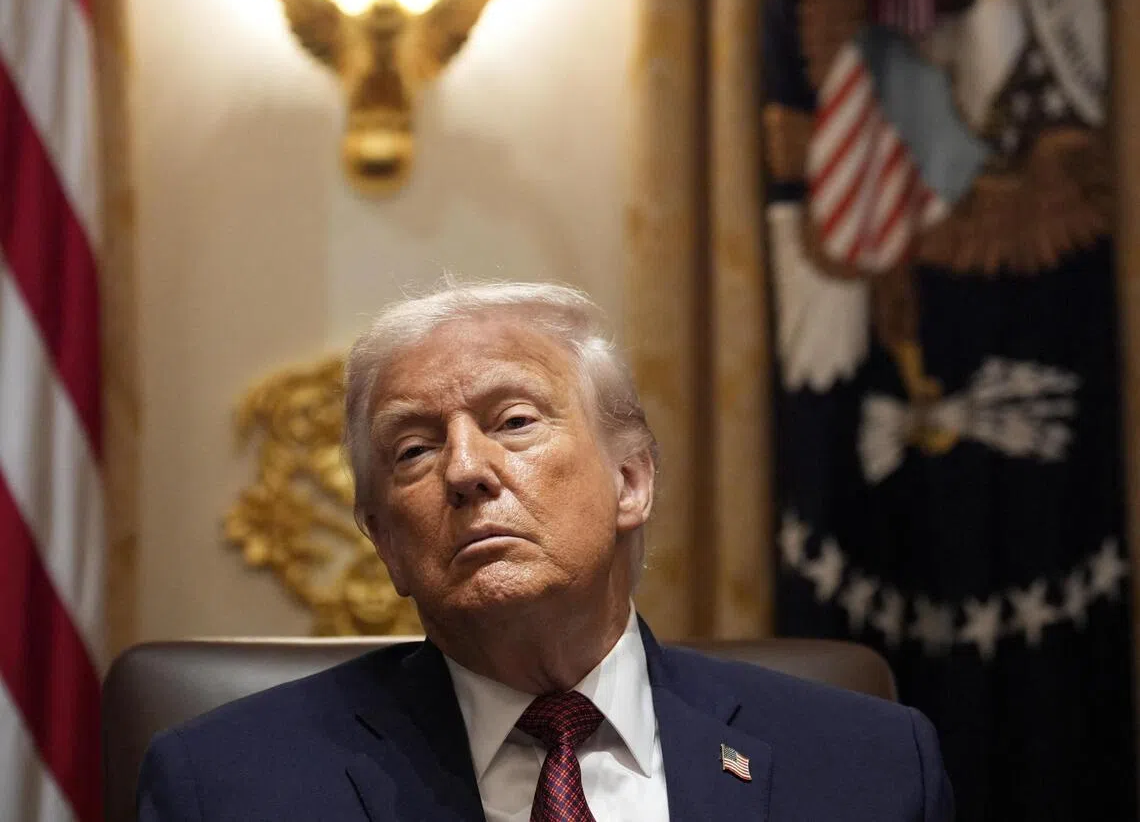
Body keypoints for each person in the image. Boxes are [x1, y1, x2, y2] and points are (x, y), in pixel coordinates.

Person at [138, 281, 953, 821]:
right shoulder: (227, 788)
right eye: (414, 450)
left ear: (632, 481)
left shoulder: (869, 768)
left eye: (514, 422)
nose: (464, 470)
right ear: (384, 541)